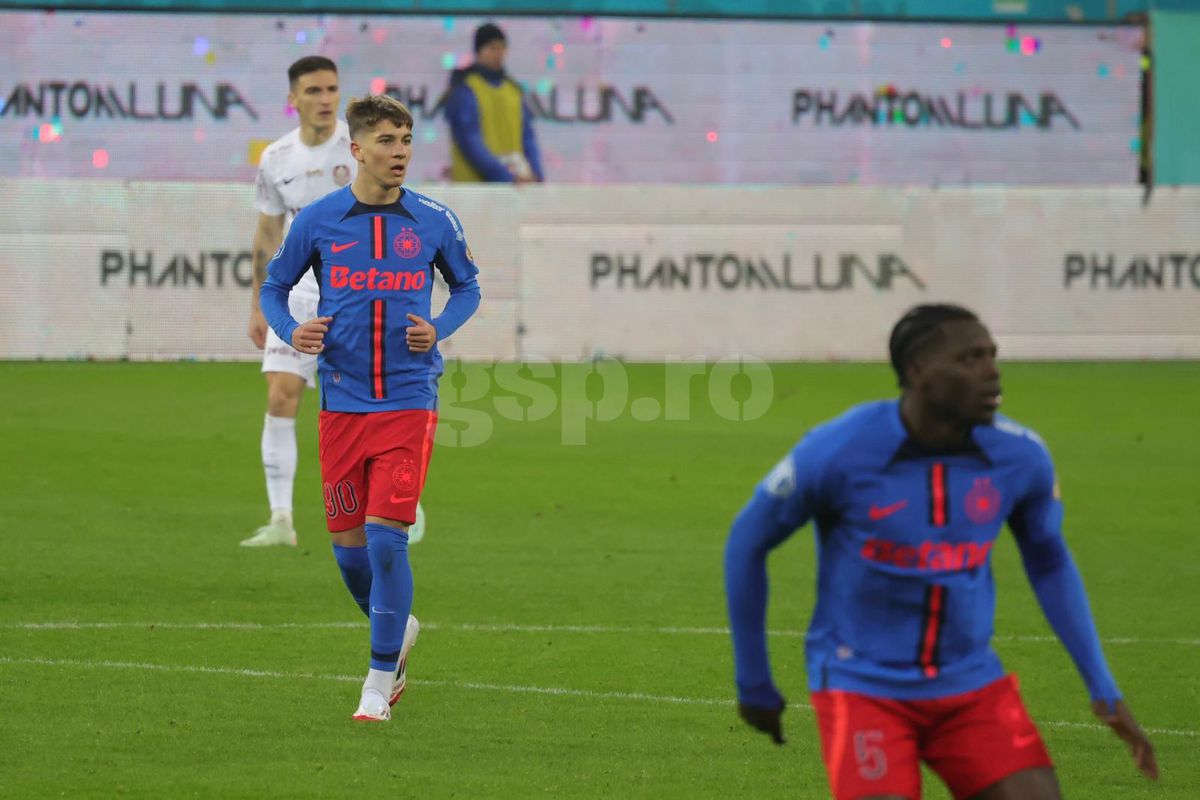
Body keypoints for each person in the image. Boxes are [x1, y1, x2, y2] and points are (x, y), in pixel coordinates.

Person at [724, 304, 1158, 799]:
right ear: (918, 373)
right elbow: (746, 542)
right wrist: (753, 681)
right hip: (861, 684)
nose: (992, 371)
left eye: (991, 354)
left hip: (970, 684)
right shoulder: (839, 450)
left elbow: (1048, 560)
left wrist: (1102, 686)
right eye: (970, 359)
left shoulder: (1020, 457)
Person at [260, 94, 480, 721]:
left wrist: (438, 328)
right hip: (342, 404)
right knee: (350, 555)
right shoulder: (318, 220)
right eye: (386, 141)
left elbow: (467, 286)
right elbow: (275, 287)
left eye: (406, 140)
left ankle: (377, 685)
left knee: (387, 543)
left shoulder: (434, 219)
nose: (399, 152)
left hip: (410, 400)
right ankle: (398, 628)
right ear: (356, 149)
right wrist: (291, 330)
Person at [244, 55, 427, 547]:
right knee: (281, 394)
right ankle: (281, 519)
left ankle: (399, 495)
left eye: (331, 89)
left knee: (372, 400)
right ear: (293, 99)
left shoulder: (362, 145)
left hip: (357, 291)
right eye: (313, 91)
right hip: (301, 292)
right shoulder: (276, 157)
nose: (325, 99)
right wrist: (257, 304)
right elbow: (268, 232)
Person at [445, 22, 544, 183]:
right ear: (479, 51)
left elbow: (528, 138)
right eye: (492, 48)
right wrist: (505, 177)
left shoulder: (513, 91)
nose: (498, 53)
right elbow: (470, 142)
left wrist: (536, 174)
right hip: (474, 188)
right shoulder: (465, 91)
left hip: (514, 187)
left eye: (502, 48)